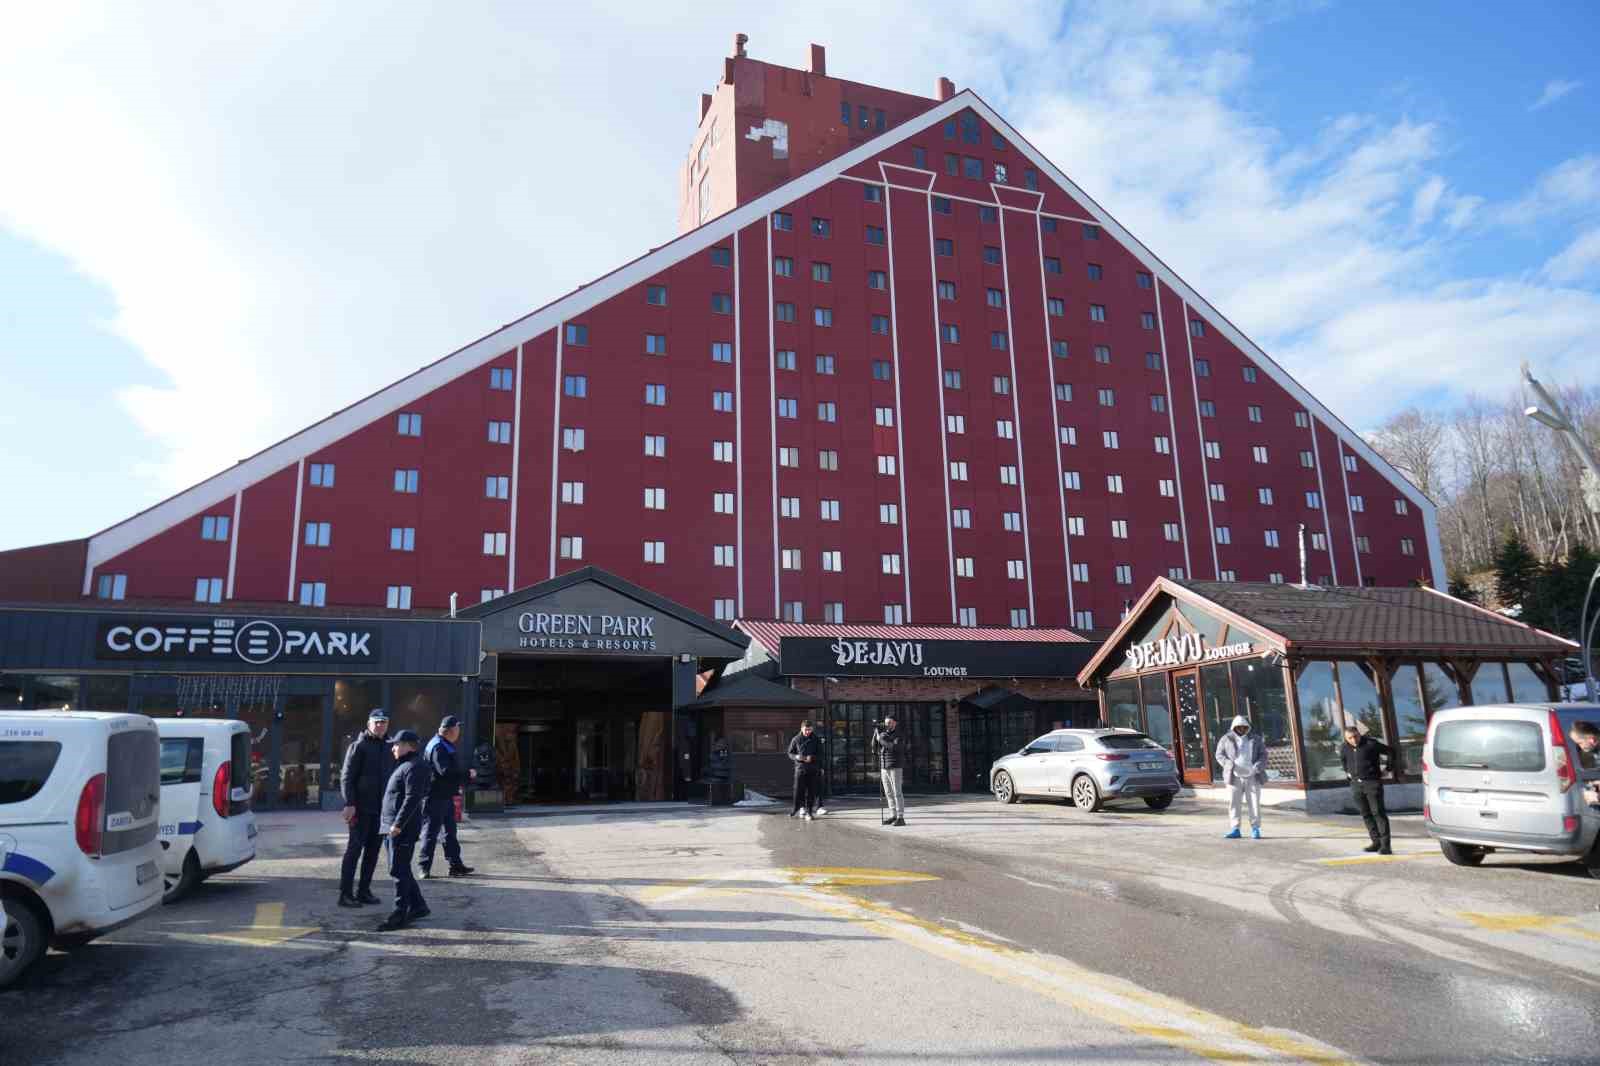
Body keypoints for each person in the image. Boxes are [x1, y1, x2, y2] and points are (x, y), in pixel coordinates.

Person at [377, 730, 432, 931]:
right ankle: (418, 906)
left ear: (408, 745)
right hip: (391, 826)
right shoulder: (405, 765)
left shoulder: (415, 766)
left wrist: (398, 824)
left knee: (398, 869)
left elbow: (412, 798)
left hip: (401, 828)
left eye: (396, 744)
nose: (393, 748)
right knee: (401, 868)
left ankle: (399, 914)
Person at [337, 709, 391, 908]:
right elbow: (347, 777)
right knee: (354, 851)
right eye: (377, 722)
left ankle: (364, 891)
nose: (380, 725)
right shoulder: (358, 746)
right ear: (369, 724)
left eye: (384, 722)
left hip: (380, 810)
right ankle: (345, 894)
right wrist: (350, 803)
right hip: (360, 809)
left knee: (372, 852)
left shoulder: (390, 746)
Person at [418, 715, 475, 878]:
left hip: (445, 796)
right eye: (457, 728)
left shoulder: (443, 744)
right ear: (450, 731)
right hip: (435, 796)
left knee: (449, 833)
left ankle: (455, 866)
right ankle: (424, 867)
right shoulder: (439, 747)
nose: (459, 732)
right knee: (430, 833)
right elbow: (444, 771)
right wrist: (467, 774)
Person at [1341, 724, 1393, 854]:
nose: (1353, 740)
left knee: (1378, 813)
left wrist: (1388, 769)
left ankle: (1386, 846)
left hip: (1372, 783)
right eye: (1350, 738)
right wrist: (1349, 774)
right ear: (1346, 738)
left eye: (1355, 736)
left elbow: (1391, 751)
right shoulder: (1344, 748)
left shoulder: (1371, 744)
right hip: (1356, 785)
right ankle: (1376, 842)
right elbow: (1344, 761)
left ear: (1359, 734)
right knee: (1366, 814)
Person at [1215, 714, 1265, 839]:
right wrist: (1229, 765)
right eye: (1239, 727)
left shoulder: (1256, 739)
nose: (1241, 729)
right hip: (1234, 777)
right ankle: (1235, 829)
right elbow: (1219, 755)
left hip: (1253, 776)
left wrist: (1257, 767)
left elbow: (1263, 755)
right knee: (1234, 803)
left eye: (1244, 727)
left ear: (1247, 727)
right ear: (1234, 727)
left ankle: (1255, 829)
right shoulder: (1226, 739)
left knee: (1254, 803)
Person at [872, 716, 906, 827]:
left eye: (890, 722)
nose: (887, 724)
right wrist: (876, 734)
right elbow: (874, 747)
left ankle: (900, 817)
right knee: (888, 793)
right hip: (884, 766)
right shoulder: (883, 734)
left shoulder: (899, 735)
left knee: (897, 792)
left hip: (895, 766)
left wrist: (881, 740)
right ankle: (893, 815)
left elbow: (893, 747)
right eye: (886, 722)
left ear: (895, 723)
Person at [788, 721, 823, 820]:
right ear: (801, 729)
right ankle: (796, 808)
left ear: (812, 729)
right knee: (798, 790)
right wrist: (796, 757)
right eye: (806, 730)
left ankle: (809, 812)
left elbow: (821, 754)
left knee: (811, 791)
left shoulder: (816, 739)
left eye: (809, 730)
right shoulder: (796, 739)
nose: (808, 732)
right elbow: (790, 753)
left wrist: (812, 758)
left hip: (813, 769)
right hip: (800, 769)